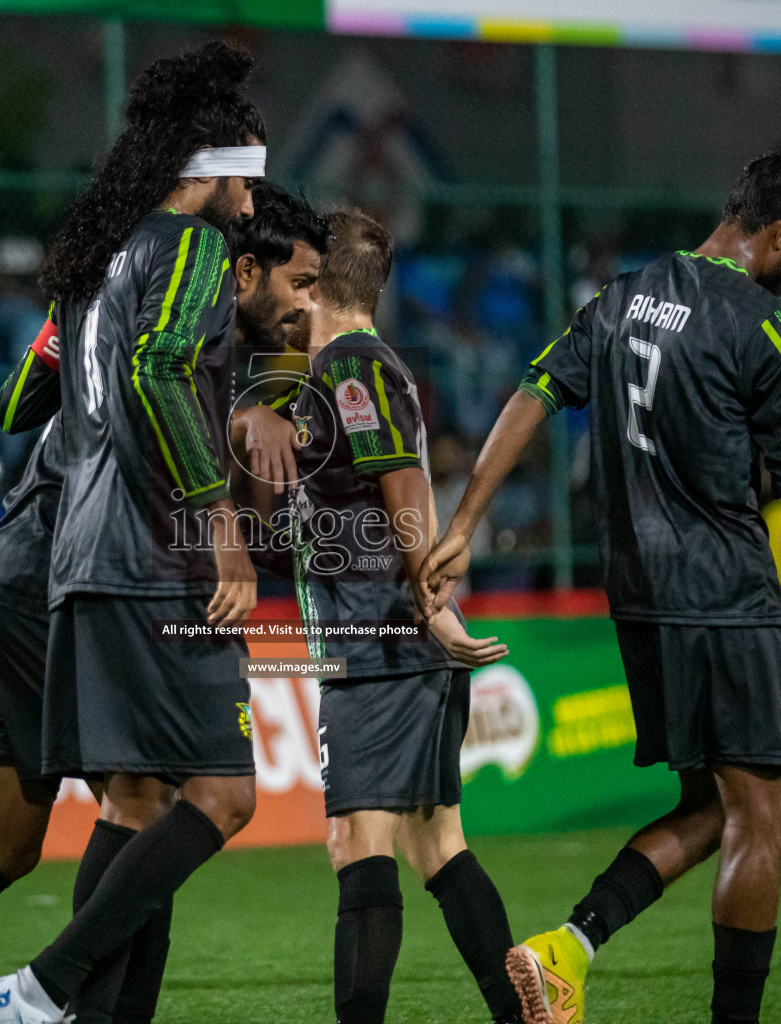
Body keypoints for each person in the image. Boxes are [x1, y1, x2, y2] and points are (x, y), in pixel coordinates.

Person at [419, 152, 781, 1024]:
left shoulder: (627, 292)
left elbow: (533, 392)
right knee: (769, 809)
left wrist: (460, 526)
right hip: (725, 594)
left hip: (637, 594)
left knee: (714, 805)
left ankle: (568, 950)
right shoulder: (769, 328)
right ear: (780, 232)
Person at [0, 178, 331, 1024]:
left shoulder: (103, 300)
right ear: (244, 267)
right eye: (298, 286)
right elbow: (183, 397)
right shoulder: (186, 326)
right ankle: (49, 997)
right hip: (68, 574)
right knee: (147, 803)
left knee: (1, 844)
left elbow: (12, 407)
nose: (305, 310)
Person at [0, 42, 267, 1024]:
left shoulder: (96, 261)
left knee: (134, 801)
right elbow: (161, 370)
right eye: (245, 182)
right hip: (152, 551)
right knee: (225, 797)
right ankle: (43, 988)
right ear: (206, 172)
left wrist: (71, 340)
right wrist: (224, 527)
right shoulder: (193, 249)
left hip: (81, 555)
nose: (252, 207)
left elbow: (21, 399)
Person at [276, 208, 524, 1024]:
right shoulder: (359, 367)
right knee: (435, 844)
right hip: (389, 634)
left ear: (314, 281)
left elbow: (405, 489)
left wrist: (429, 596)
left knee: (358, 844)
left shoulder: (350, 366)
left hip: (379, 640)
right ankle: (523, 1012)